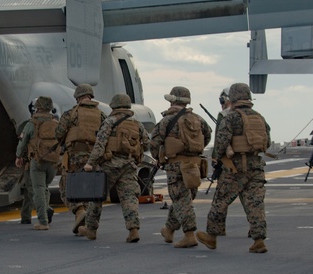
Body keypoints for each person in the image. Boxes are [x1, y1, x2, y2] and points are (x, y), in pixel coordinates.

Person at [197, 82, 271, 253]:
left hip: (235, 168)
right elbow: (266, 141)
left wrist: (219, 157)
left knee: (221, 201)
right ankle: (259, 240)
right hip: (256, 166)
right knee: (255, 203)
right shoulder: (259, 117)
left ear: (233, 97)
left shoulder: (230, 117)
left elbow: (221, 142)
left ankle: (211, 236)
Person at [81, 93, 148, 242]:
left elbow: (100, 145)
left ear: (114, 105)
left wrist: (90, 163)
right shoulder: (137, 124)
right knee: (129, 198)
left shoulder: (109, 122)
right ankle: (133, 230)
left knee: (97, 196)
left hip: (110, 165)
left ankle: (91, 229)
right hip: (129, 165)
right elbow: (147, 142)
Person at [151, 86, 212, 248]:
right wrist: (194, 149)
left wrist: (159, 157)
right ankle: (169, 230)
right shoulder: (198, 119)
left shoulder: (166, 121)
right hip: (194, 164)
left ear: (172, 100)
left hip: (176, 165)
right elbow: (207, 135)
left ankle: (189, 235)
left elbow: (154, 142)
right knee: (184, 198)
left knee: (180, 199)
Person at [56, 84, 106, 235]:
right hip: (94, 157)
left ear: (77, 97)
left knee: (66, 187)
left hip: (74, 156)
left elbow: (59, 133)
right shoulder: (101, 115)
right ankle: (87, 224)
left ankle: (79, 211)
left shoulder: (71, 114)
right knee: (91, 190)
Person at [15, 96, 59, 230]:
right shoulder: (56, 123)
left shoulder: (32, 123)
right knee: (44, 188)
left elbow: (22, 142)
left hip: (37, 161)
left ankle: (43, 221)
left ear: (37, 108)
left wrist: (18, 156)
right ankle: (45, 210)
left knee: (38, 190)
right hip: (53, 162)